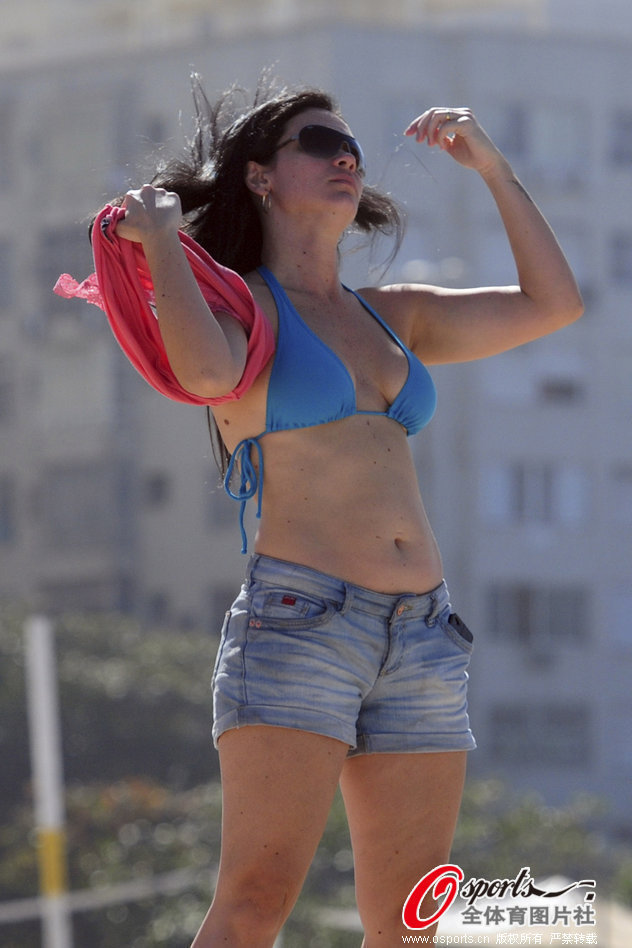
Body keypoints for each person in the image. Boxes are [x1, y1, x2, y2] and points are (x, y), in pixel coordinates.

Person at [113, 79, 583, 947]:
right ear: (260, 175)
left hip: (425, 634)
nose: (346, 158)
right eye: (321, 142)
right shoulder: (244, 309)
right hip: (302, 621)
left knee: (409, 926)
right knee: (255, 904)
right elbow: (208, 376)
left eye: (352, 148)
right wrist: (163, 245)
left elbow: (553, 304)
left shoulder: (391, 314)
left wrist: (492, 167)